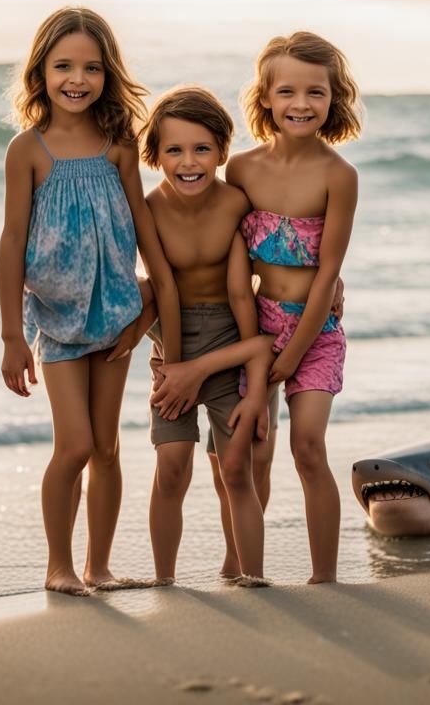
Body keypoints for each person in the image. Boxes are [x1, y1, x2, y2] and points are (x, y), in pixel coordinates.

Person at [0, 5, 181, 596]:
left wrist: (157, 307)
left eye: (92, 68)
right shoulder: (28, 150)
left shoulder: (118, 144)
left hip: (116, 316)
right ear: (40, 72)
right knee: (73, 444)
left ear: (108, 74)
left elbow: (145, 231)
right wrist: (10, 337)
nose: (78, 79)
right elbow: (11, 241)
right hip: (54, 318)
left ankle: (97, 567)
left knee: (106, 446)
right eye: (63, 66)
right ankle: (59, 566)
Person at [225, 31, 361, 584]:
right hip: (257, 325)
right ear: (265, 97)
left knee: (308, 448)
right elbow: (229, 264)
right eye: (287, 91)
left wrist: (294, 351)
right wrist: (253, 348)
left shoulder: (339, 176)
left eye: (316, 93)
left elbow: (328, 271)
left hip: (317, 330)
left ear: (335, 100)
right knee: (255, 451)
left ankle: (323, 577)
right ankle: (242, 566)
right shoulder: (240, 170)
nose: (301, 104)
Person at [134, 85, 274, 586]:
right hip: (170, 339)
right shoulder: (148, 210)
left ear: (221, 150)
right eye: (173, 149)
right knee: (172, 465)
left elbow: (254, 283)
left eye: (201, 149)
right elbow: (162, 288)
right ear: (154, 155)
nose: (188, 162)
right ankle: (164, 580)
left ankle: (247, 573)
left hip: (235, 337)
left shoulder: (237, 202)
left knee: (234, 470)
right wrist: (173, 368)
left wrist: (251, 372)